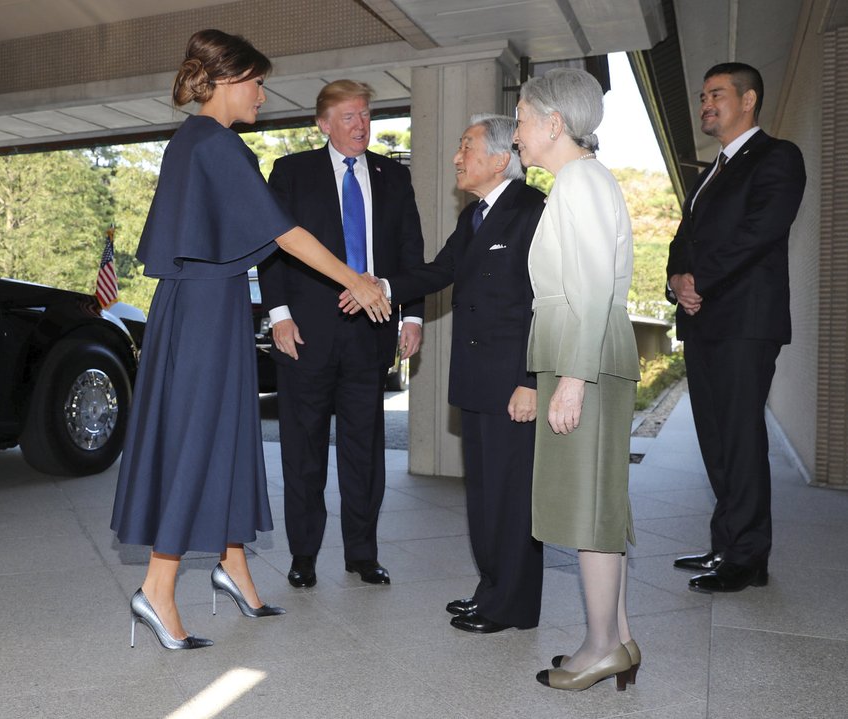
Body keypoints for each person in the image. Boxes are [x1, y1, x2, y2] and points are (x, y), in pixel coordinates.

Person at [109, 30, 391, 650]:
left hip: (214, 303)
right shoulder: (213, 144)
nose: (264, 95)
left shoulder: (204, 142)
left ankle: (233, 564)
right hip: (206, 309)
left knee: (232, 434)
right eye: (258, 83)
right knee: (197, 439)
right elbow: (284, 233)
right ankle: (157, 588)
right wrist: (356, 280)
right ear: (230, 81)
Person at [345, 114, 545, 632]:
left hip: (512, 381)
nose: (457, 158)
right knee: (481, 492)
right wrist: (382, 285)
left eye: (466, 147)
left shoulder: (533, 211)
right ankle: (492, 588)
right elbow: (439, 271)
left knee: (511, 496)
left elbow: (546, 304)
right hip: (477, 377)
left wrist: (532, 379)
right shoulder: (476, 216)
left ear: (501, 159)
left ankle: (514, 605)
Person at [258, 80, 425, 588]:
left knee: (364, 451)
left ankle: (362, 554)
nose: (361, 126)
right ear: (323, 124)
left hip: (370, 332)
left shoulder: (393, 176)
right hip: (305, 334)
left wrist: (412, 315)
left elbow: (410, 251)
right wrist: (279, 313)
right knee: (302, 451)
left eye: (366, 116)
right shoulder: (291, 172)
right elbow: (272, 247)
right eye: (349, 117)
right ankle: (303, 556)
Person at [514, 68, 641, 691]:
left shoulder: (579, 183)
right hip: (584, 353)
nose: (516, 135)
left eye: (520, 120)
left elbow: (590, 287)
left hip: (583, 357)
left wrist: (571, 379)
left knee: (590, 507)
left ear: (553, 124)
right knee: (598, 502)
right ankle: (615, 637)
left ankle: (599, 647)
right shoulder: (582, 181)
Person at [666, 63, 806, 593]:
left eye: (716, 94)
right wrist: (677, 279)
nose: (705, 103)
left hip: (745, 320)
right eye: (702, 95)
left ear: (748, 100)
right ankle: (726, 543)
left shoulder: (777, 157)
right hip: (702, 321)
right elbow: (684, 240)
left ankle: (747, 557)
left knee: (741, 438)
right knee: (716, 438)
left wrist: (702, 279)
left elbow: (761, 231)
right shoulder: (708, 174)